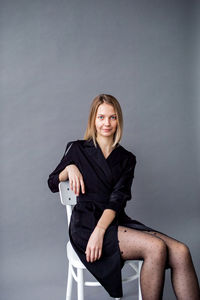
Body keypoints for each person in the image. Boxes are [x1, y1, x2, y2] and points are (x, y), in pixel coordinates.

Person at [47, 94, 200, 299]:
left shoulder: (127, 159)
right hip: (86, 225)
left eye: (113, 117)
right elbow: (52, 182)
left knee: (181, 251)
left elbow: (117, 199)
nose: (106, 123)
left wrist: (101, 231)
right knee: (156, 248)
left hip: (113, 221)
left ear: (119, 120)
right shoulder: (77, 149)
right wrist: (69, 168)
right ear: (93, 119)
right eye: (101, 117)